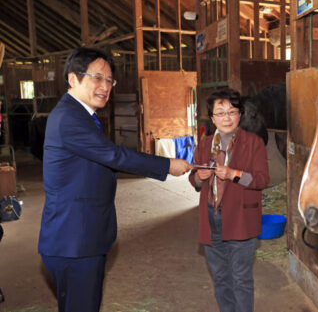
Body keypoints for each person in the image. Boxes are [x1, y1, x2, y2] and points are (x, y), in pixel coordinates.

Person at [38, 47, 193, 312]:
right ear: (73, 79)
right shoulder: (69, 118)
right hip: (75, 240)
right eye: (97, 78)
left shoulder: (81, 115)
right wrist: (167, 165)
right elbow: (113, 155)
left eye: (109, 80)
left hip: (78, 236)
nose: (105, 86)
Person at [189, 89, 270, 312]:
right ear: (212, 118)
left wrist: (233, 174)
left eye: (232, 112)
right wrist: (198, 177)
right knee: (221, 278)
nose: (226, 118)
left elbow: (262, 179)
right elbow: (194, 181)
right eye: (220, 113)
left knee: (241, 279)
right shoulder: (204, 145)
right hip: (211, 219)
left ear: (240, 115)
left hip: (241, 219)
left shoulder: (254, 143)